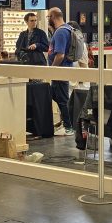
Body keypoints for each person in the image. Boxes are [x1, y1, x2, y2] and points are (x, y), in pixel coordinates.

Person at [47, 7, 74, 136]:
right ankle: (65, 123)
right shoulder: (66, 29)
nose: (48, 20)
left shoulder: (61, 32)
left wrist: (52, 69)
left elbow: (60, 55)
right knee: (56, 96)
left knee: (62, 100)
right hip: (62, 70)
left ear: (53, 17)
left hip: (60, 71)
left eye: (48, 17)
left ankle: (68, 127)